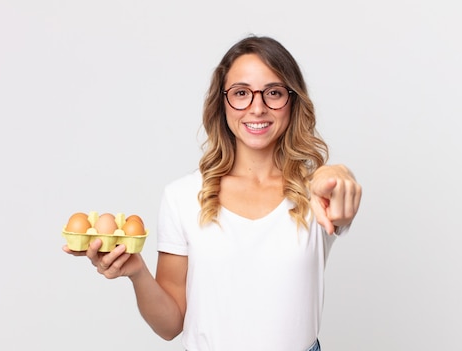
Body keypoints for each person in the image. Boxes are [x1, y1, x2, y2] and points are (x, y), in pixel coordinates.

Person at [63, 35, 362, 351]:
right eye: (241, 93)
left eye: (273, 93)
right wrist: (137, 272)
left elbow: (339, 185)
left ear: (292, 101)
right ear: (222, 102)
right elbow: (170, 326)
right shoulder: (182, 196)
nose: (257, 108)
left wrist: (335, 174)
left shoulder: (317, 196)